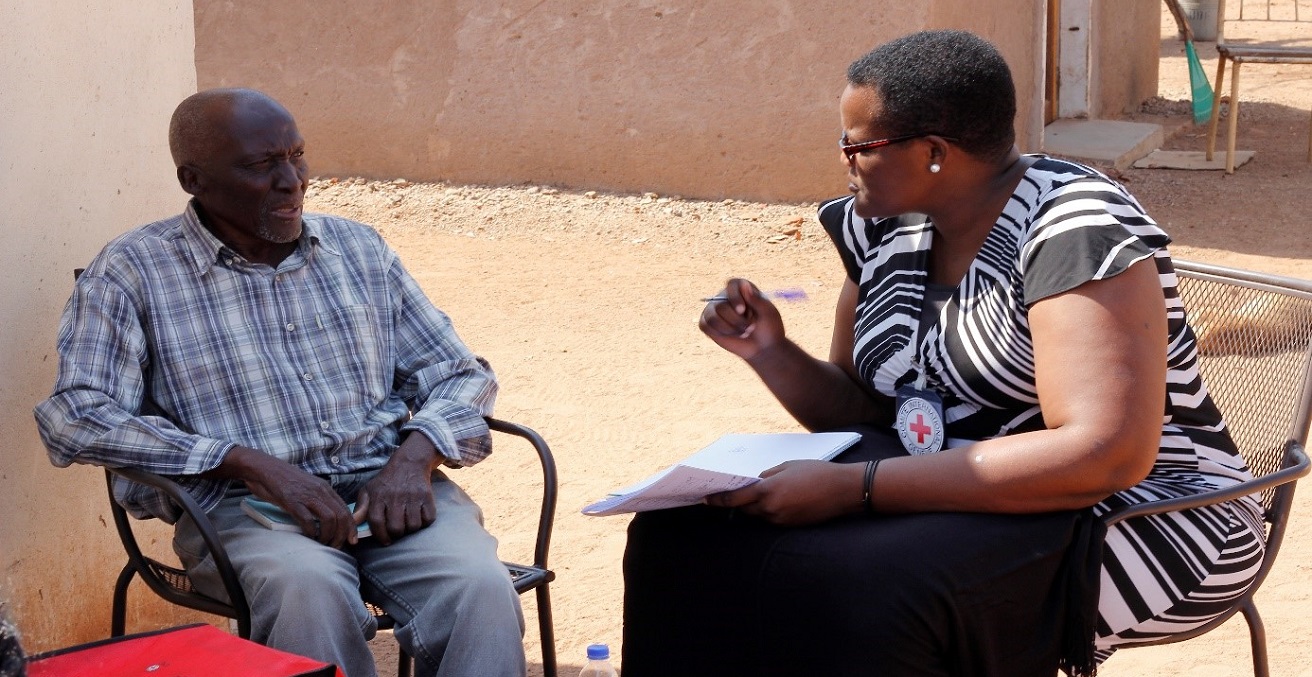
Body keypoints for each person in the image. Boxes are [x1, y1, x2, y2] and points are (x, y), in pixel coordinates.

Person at [622, 30, 1264, 677]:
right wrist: (771, 350)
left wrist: (857, 489)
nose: (843, 159)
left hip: (1145, 512)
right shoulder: (883, 224)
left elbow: (1103, 454)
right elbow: (868, 413)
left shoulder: (1071, 228)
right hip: (942, 481)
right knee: (682, 539)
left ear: (934, 152)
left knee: (869, 591)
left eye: (858, 145)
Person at [34, 88, 526, 677]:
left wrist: (414, 460)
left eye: (296, 156)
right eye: (261, 165)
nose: (292, 180)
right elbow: (74, 416)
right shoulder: (134, 272)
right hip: (244, 511)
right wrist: (246, 463)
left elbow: (458, 373)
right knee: (308, 591)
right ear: (195, 180)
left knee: (478, 585)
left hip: (387, 490)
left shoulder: (358, 249)